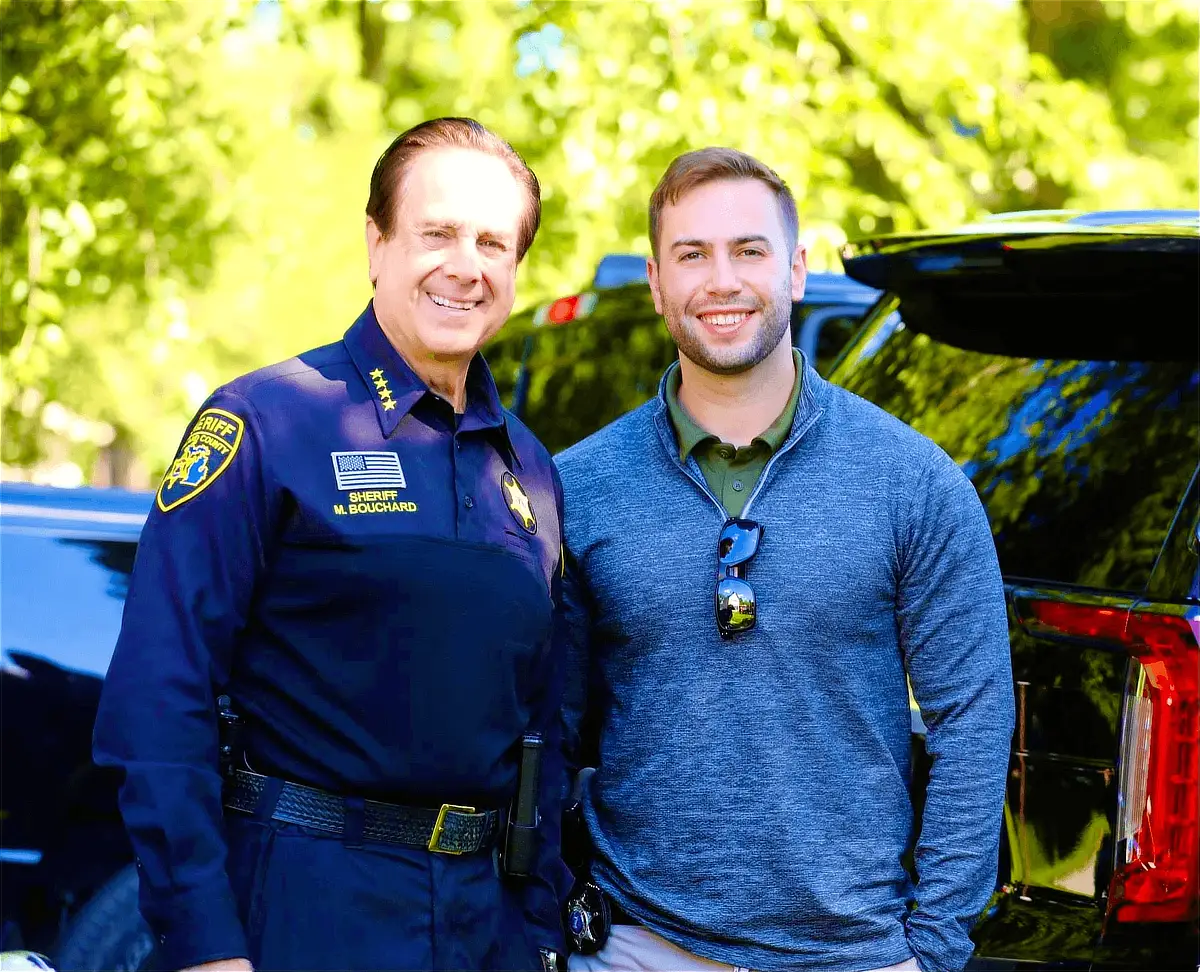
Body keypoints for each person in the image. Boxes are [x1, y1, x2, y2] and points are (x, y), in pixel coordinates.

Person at [93, 117, 571, 972]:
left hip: (481, 929)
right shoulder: (269, 422)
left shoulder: (528, 470)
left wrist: (536, 931)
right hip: (303, 913)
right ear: (376, 243)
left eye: (495, 243)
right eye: (439, 233)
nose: (467, 265)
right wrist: (203, 943)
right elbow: (158, 695)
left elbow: (544, 728)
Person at [555, 148, 1015, 972]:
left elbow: (973, 722)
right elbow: (547, 731)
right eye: (691, 255)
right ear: (657, 283)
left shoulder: (913, 482)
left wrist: (935, 948)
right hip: (638, 947)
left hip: (858, 954)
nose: (720, 280)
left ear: (797, 270)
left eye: (750, 250)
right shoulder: (580, 487)